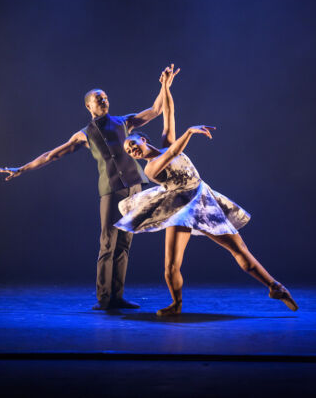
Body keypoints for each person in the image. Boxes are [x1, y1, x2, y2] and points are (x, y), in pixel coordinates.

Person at [114, 66, 298, 316]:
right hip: (179, 208)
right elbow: (174, 152)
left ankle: (275, 286)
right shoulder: (151, 169)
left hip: (202, 198)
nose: (131, 150)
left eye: (132, 144)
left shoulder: (166, 142)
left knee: (239, 249)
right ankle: (176, 305)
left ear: (143, 140)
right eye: (128, 150)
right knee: (170, 266)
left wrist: (165, 87)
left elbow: (169, 112)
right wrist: (189, 131)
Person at [0, 65, 180, 310]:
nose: (103, 100)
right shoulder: (84, 134)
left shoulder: (123, 122)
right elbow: (51, 155)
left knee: (125, 243)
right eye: (98, 99)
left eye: (105, 97)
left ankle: (117, 295)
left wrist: (164, 85)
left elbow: (157, 109)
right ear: (88, 106)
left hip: (135, 187)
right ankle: (104, 299)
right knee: (108, 243)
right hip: (111, 190)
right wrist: (22, 168)